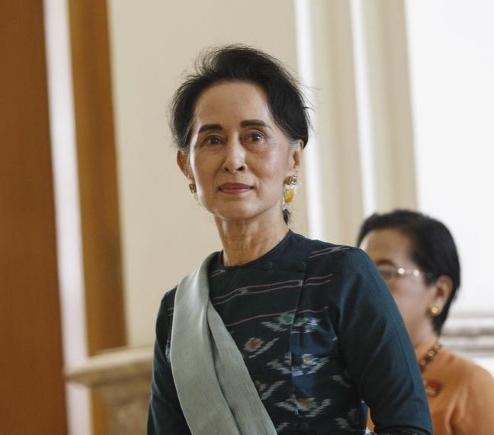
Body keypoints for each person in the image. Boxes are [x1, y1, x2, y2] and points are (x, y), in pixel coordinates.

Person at [147, 44, 432, 434]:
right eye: (212, 140)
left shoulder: (340, 275)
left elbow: (407, 424)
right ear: (187, 165)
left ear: (293, 158)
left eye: (255, 136)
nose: (233, 159)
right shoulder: (178, 312)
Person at [357, 209, 494, 434]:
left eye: (385, 273)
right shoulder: (343, 372)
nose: (365, 287)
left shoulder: (470, 384)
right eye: (361, 273)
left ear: (439, 292)